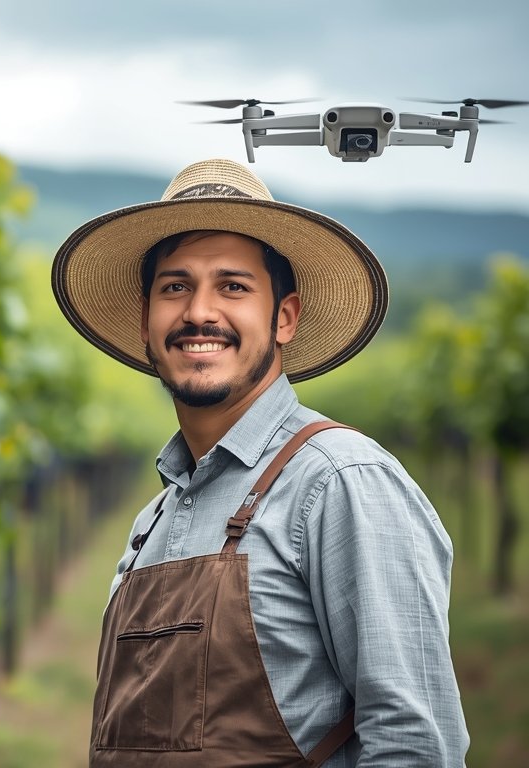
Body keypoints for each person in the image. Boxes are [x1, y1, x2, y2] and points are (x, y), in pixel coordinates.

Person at [51, 158, 469, 767]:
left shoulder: (339, 481)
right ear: (147, 321)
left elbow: (414, 742)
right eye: (175, 287)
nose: (199, 312)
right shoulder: (152, 521)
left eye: (233, 286)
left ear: (285, 318)